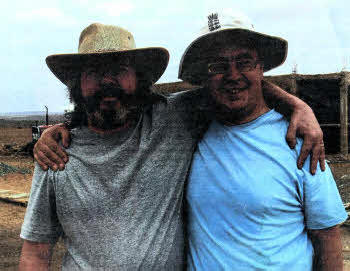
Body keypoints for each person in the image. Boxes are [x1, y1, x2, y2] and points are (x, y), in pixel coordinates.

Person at [29, 20, 324, 270]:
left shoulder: (173, 119)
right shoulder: (56, 153)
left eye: (119, 70)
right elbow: (35, 252)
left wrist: (297, 105)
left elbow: (233, 82)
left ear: (140, 78)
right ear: (78, 85)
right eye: (93, 72)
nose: (108, 82)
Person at [179, 11, 348, 270]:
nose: (233, 75)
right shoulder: (188, 133)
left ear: (261, 68)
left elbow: (328, 237)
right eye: (218, 66)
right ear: (204, 76)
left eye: (245, 62)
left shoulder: (300, 141)